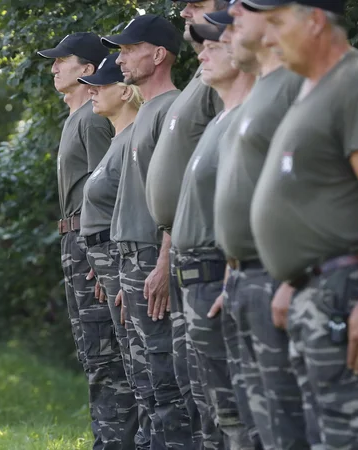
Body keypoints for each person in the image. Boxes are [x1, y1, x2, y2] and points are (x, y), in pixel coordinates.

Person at [245, 0, 358, 447]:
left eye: (276, 23)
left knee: (353, 437)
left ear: (314, 21)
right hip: (316, 296)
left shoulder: (357, 83)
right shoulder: (313, 89)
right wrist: (294, 281)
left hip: (346, 296)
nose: (268, 37)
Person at [212, 2, 316, 448]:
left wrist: (297, 275)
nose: (232, 17)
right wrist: (230, 273)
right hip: (242, 277)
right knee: (259, 426)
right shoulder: (258, 91)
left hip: (277, 279)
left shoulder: (296, 84)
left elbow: (316, 185)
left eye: (245, 11)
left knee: (286, 426)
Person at [37, 33, 140, 450]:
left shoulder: (95, 121)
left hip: (93, 243)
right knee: (92, 351)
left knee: (107, 354)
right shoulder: (77, 117)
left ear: (87, 70)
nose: (53, 67)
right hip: (76, 242)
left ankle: (119, 442)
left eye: (63, 60)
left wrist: (107, 257)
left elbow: (113, 189)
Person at [102, 14, 195, 450]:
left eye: (128, 49)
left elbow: (178, 197)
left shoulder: (172, 109)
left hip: (152, 259)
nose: (120, 58)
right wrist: (127, 274)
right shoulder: (142, 114)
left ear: (158, 55)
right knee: (145, 382)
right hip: (134, 261)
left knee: (165, 380)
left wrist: (161, 263)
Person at [144, 1, 227, 446]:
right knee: (191, 384)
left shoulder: (222, 78)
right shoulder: (204, 75)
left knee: (221, 400)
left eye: (197, 3)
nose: (185, 12)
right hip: (186, 251)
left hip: (214, 254)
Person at [171, 21, 255, 448]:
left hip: (219, 276)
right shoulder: (221, 118)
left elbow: (251, 206)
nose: (200, 54)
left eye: (212, 47)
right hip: (199, 279)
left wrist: (231, 274)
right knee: (213, 411)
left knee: (236, 415)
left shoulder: (246, 118)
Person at [76, 52, 144, 450]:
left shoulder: (133, 138)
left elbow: (135, 208)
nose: (93, 92)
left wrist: (117, 267)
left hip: (127, 264)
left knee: (141, 367)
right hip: (110, 265)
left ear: (125, 90)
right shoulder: (118, 139)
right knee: (127, 365)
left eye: (100, 84)